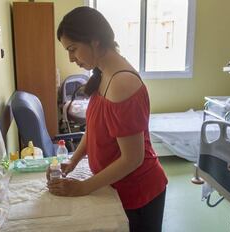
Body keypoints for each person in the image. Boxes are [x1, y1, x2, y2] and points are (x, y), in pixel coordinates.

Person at [47, 6, 168, 232]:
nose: (71, 58)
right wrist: (73, 160)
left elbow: (133, 158)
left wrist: (83, 188)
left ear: (95, 41)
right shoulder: (103, 74)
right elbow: (93, 129)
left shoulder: (123, 83)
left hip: (139, 191)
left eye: (73, 49)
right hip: (115, 187)